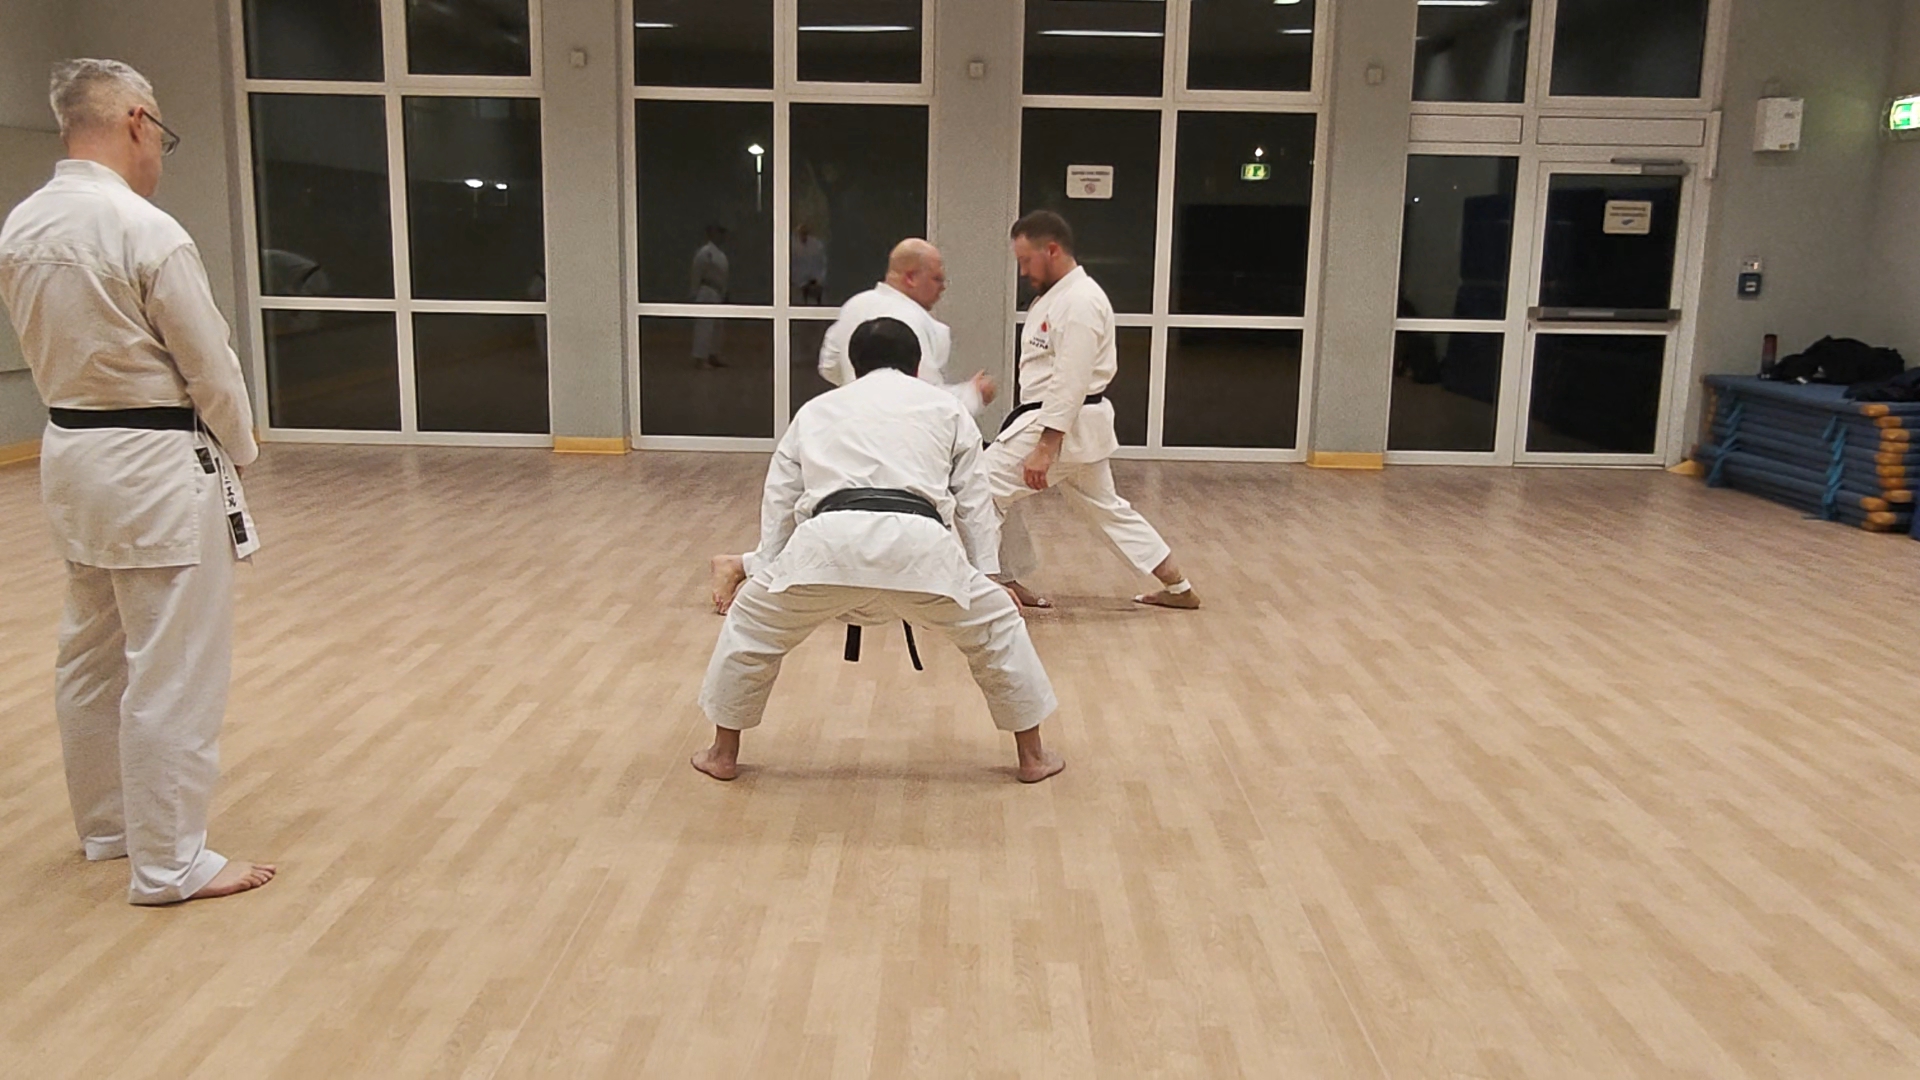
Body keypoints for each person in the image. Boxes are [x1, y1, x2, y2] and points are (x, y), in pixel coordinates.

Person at [0, 59, 275, 904]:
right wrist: (242, 451)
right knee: (172, 666)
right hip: (155, 466)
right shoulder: (144, 230)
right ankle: (170, 862)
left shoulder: (22, 224)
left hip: (72, 457)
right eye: (162, 133)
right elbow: (212, 370)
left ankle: (110, 830)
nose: (161, 150)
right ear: (136, 122)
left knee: (89, 654)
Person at [693, 317, 1064, 784]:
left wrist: (768, 566)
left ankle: (722, 754)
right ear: (916, 367)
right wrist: (989, 576)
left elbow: (781, 495)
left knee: (750, 627)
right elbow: (974, 498)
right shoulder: (945, 408)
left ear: (854, 364)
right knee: (998, 631)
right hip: (923, 550)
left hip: (826, 545)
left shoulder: (817, 409)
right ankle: (1032, 758)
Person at [710, 238, 998, 613]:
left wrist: (853, 396)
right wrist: (972, 394)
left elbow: (829, 363)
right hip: (894, 445)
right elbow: (918, 397)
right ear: (911, 277)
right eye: (938, 279)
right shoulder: (908, 322)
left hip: (845, 432)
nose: (943, 287)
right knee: (896, 528)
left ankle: (748, 565)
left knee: (832, 515)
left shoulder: (857, 306)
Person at [985, 211, 1199, 611]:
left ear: (1052, 250)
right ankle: (1178, 586)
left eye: (1026, 261)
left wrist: (1047, 446)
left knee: (979, 489)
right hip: (1069, 424)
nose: (1023, 271)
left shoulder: (1080, 300)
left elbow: (1072, 378)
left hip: (1059, 424)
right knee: (1106, 509)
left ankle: (991, 586)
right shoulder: (1056, 297)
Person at [689, 224, 730, 368]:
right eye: (718, 233)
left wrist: (724, 294)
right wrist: (694, 293)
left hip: (718, 293)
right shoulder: (704, 253)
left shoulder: (721, 254)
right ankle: (700, 358)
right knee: (704, 326)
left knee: (717, 326)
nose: (721, 236)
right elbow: (696, 273)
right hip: (706, 291)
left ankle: (713, 355)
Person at [791, 223, 827, 306]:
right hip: (796, 284)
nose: (803, 233)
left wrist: (819, 279)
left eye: (805, 231)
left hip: (815, 283)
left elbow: (822, 263)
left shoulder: (816, 245)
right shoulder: (791, 245)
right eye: (800, 231)